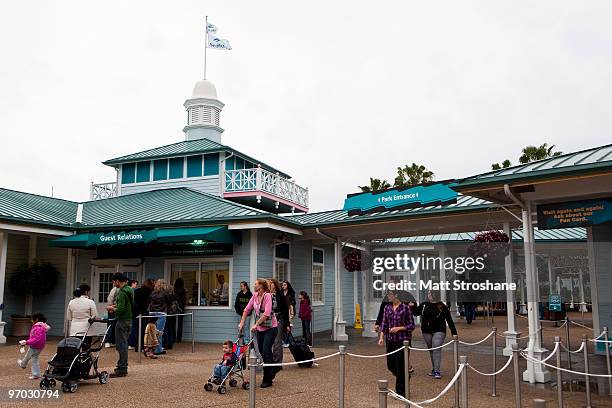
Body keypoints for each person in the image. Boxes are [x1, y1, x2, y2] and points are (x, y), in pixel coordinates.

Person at [238, 278, 277, 388]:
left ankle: (267, 379)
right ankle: (273, 368)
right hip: (260, 329)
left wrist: (256, 324)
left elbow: (267, 313)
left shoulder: (267, 296)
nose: (254, 285)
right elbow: (247, 309)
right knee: (260, 352)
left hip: (271, 328)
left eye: (255, 284)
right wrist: (242, 322)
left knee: (266, 351)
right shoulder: (254, 296)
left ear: (261, 286)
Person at [378, 290, 415, 398]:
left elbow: (411, 326)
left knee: (401, 366)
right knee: (391, 365)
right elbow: (384, 323)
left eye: (390, 295)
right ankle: (405, 377)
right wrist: (381, 337)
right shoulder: (387, 308)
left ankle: (401, 392)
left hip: (403, 341)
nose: (388, 297)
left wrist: (399, 328)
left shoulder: (405, 308)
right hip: (390, 340)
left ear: (396, 295)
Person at [412, 291, 457, 379]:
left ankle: (437, 370)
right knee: (431, 349)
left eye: (432, 293)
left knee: (436, 347)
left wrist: (454, 332)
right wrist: (412, 306)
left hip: (439, 329)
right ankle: (434, 368)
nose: (430, 295)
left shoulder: (442, 306)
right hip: (426, 330)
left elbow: (449, 320)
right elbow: (416, 313)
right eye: (428, 293)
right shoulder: (424, 305)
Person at [106, 272, 134, 377]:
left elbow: (121, 310)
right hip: (129, 319)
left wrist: (112, 309)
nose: (113, 283)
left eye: (113, 281)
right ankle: (123, 366)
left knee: (121, 344)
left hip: (122, 320)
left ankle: (122, 368)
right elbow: (126, 305)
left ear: (117, 281)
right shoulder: (129, 289)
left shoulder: (122, 292)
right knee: (124, 343)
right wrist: (116, 305)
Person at [17, 313, 50, 380]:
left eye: (32, 319)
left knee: (29, 357)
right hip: (39, 346)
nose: (31, 321)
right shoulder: (41, 326)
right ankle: (36, 374)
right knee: (34, 359)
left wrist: (26, 342)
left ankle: (23, 365)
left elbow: (36, 338)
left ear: (36, 319)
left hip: (35, 346)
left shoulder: (38, 327)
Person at [269, 278, 289, 374]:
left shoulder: (280, 295)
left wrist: (287, 324)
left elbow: (286, 310)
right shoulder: (266, 295)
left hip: (279, 319)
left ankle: (277, 363)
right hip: (268, 321)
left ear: (275, 285)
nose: (269, 285)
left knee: (277, 341)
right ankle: (269, 360)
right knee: (269, 341)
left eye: (271, 283)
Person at [130, 278, 154, 351]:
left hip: (136, 312)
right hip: (144, 312)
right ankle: (143, 346)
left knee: (137, 330)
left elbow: (133, 302)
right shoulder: (150, 292)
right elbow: (149, 303)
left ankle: (137, 346)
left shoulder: (136, 291)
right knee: (144, 330)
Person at [148, 279, 171, 355]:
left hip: (152, 313)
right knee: (159, 332)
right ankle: (157, 349)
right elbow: (169, 302)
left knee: (152, 332)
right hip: (161, 313)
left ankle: (154, 348)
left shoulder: (152, 293)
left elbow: (149, 302)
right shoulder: (165, 293)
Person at [282, 281, 296, 347]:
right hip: (283, 311)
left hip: (289, 311)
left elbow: (293, 303)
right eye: (282, 285)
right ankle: (285, 340)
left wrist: (291, 312)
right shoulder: (281, 293)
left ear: (287, 285)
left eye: (284, 285)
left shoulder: (291, 293)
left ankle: (287, 341)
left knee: (288, 326)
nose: (283, 286)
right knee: (283, 326)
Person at [174, 278, 187, 343]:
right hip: (181, 308)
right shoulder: (183, 290)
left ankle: (173, 338)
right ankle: (179, 339)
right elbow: (184, 300)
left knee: (172, 324)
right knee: (180, 324)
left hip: (174, 308)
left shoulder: (174, 290)